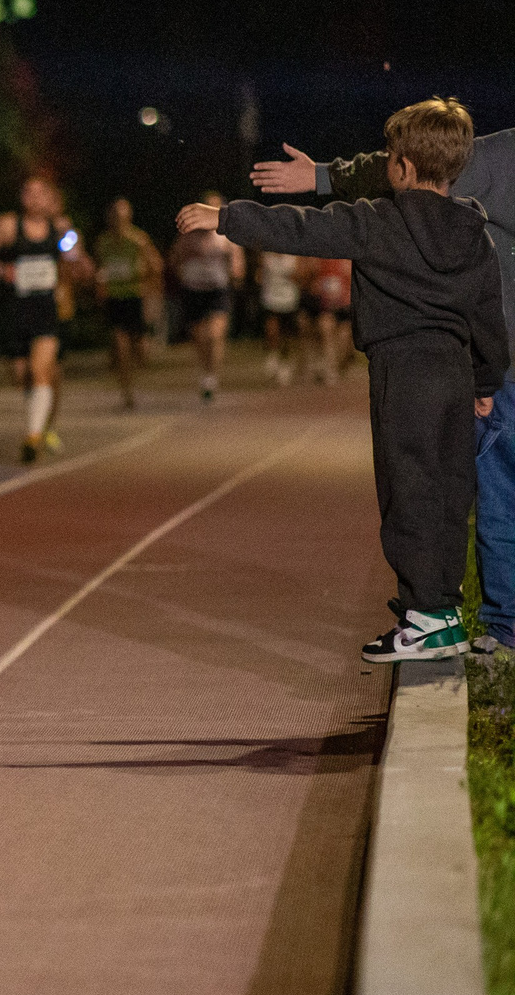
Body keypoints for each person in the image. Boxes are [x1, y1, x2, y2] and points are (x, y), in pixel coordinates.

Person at [190, 97, 504, 660]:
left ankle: (423, 616)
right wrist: (485, 383)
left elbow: (302, 229)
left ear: (401, 167)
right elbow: (488, 318)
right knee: (449, 492)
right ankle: (445, 609)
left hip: (401, 371)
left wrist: (227, 218)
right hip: (456, 373)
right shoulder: (475, 233)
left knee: (406, 490)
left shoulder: (375, 221)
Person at [0, 174, 90, 463]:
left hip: (47, 311)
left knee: (41, 370)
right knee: (21, 376)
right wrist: (3, 271)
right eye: (28, 192)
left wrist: (77, 260)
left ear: (49, 198)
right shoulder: (8, 225)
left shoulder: (60, 228)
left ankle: (33, 436)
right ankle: (38, 421)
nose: (33, 197)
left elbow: (75, 258)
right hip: (14, 310)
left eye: (40, 193)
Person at [170, 190, 242, 402]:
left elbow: (237, 262)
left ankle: (212, 376)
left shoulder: (226, 235)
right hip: (193, 289)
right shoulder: (189, 233)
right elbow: (174, 259)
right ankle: (205, 371)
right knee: (200, 337)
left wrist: (235, 273)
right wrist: (184, 264)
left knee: (215, 334)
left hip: (217, 290)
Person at [93, 198, 164, 409]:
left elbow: (156, 266)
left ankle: (139, 373)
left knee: (141, 352)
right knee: (120, 345)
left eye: (122, 216)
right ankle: (127, 391)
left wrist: (150, 290)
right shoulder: (103, 242)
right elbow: (100, 269)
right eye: (114, 216)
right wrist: (100, 283)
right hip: (115, 299)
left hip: (135, 297)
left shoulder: (138, 240)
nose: (118, 220)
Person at [257, 248, 305, 385]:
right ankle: (272, 355)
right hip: (270, 298)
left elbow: (301, 275)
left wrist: (293, 276)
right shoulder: (266, 254)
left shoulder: (292, 256)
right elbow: (259, 273)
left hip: (289, 299)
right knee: (271, 330)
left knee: (287, 336)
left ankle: (285, 363)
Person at [304, 256, 355, 384]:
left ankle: (340, 364)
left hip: (344, 307)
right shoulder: (319, 261)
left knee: (344, 340)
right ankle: (329, 368)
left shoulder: (347, 261)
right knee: (326, 328)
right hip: (326, 307)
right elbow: (311, 284)